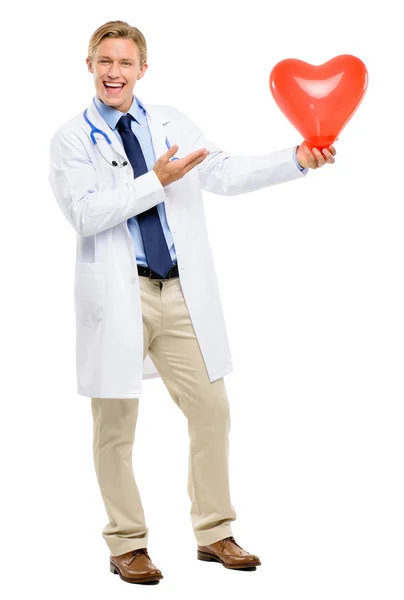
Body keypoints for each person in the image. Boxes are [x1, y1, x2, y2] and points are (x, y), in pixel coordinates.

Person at [48, 19, 336, 586]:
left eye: (125, 63)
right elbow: (84, 213)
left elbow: (223, 172)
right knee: (115, 426)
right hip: (119, 289)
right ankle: (127, 544)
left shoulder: (171, 122)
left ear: (142, 70)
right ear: (89, 66)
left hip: (179, 290)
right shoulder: (71, 139)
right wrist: (154, 181)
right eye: (104, 61)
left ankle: (214, 532)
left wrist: (297, 158)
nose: (114, 72)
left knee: (212, 411)